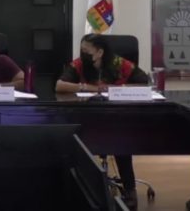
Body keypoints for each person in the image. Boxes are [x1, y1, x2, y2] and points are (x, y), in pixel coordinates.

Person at [55, 33, 149, 209]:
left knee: (120, 141)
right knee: (73, 141)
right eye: (82, 50)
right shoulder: (80, 64)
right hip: (87, 116)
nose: (82, 54)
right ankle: (79, 189)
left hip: (116, 117)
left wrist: (117, 88)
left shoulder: (118, 63)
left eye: (86, 51)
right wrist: (88, 87)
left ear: (99, 52)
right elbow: (59, 85)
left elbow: (144, 83)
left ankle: (130, 190)